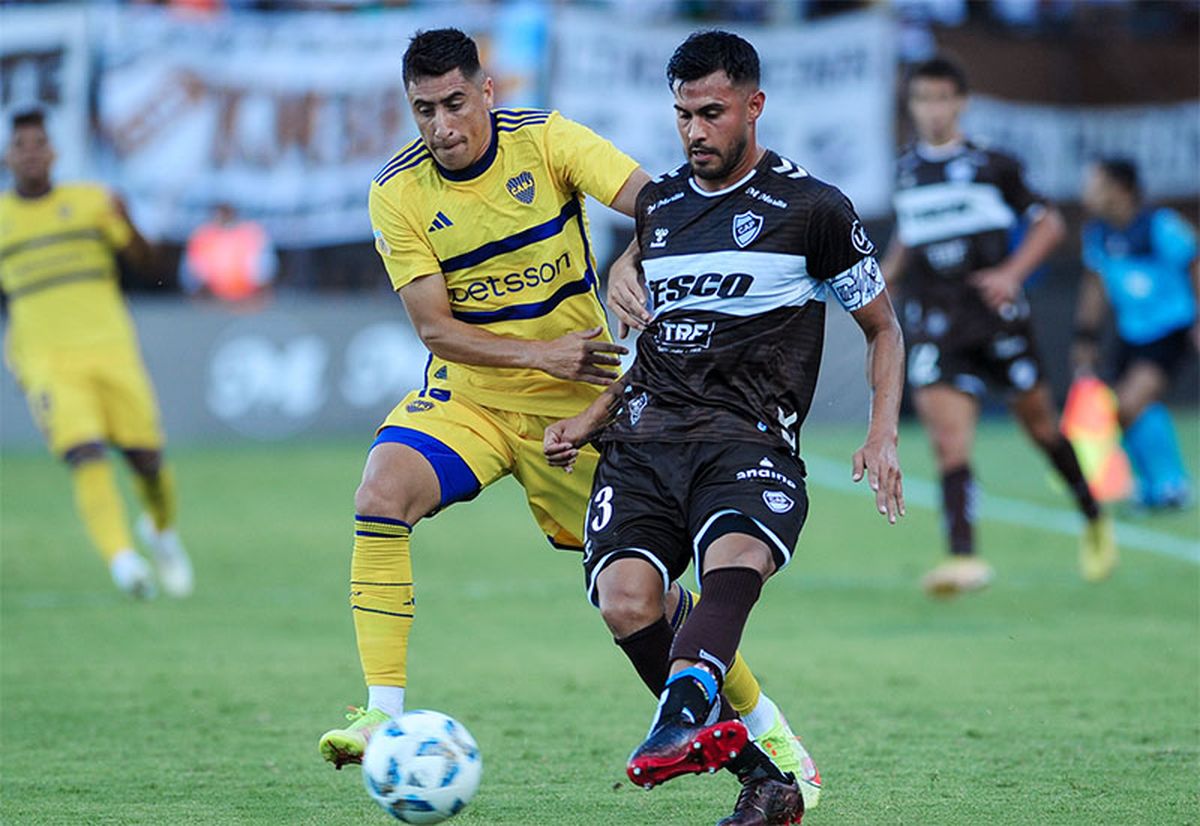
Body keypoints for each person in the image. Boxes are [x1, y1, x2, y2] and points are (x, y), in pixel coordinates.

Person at [318, 30, 821, 806]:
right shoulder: (398, 191)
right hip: (473, 399)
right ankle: (382, 714)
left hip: (584, 405)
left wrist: (628, 260)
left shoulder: (546, 140)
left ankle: (761, 722)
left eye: (455, 103)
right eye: (423, 111)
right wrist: (539, 355)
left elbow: (664, 205)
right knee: (380, 493)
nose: (442, 126)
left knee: (641, 598)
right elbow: (435, 329)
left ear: (487, 91)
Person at [545, 31, 903, 826]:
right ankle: (762, 778)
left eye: (711, 113)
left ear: (753, 105)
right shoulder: (662, 207)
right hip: (643, 440)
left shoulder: (814, 210)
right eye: (682, 115)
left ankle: (676, 721)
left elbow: (884, 328)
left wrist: (882, 433)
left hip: (748, 438)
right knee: (625, 600)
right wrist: (592, 413)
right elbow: (657, 337)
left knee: (735, 553)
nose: (695, 131)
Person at [878, 57, 1116, 594]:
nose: (931, 110)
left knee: (1041, 428)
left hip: (995, 319)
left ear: (960, 101)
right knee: (948, 441)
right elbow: (910, 237)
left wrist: (1012, 272)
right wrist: (882, 282)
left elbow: (1050, 223)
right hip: (936, 320)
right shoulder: (906, 169)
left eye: (941, 98)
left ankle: (1093, 514)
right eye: (922, 99)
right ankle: (963, 557)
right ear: (911, 105)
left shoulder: (992, 163)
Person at [0, 109, 193, 599]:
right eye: (21, 144)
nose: (30, 152)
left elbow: (149, 269)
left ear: (53, 152)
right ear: (8, 155)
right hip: (45, 360)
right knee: (83, 452)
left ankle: (161, 532)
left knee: (146, 460)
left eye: (38, 143)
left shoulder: (91, 203)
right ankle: (123, 561)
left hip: (111, 351)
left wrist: (128, 222)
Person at [1075, 158, 1197, 510]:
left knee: (1130, 403)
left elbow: (1194, 263)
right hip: (1131, 334)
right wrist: (1085, 338)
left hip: (1169, 329)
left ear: (1120, 189)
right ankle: (1155, 485)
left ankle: (1171, 483)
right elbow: (1094, 289)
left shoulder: (1160, 225)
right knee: (1124, 409)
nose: (1088, 192)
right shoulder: (1097, 234)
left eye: (1095, 184)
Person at [179, 203, 278, 303]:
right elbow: (193, 273)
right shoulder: (202, 236)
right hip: (211, 300)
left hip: (248, 299)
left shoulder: (251, 234)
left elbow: (264, 271)